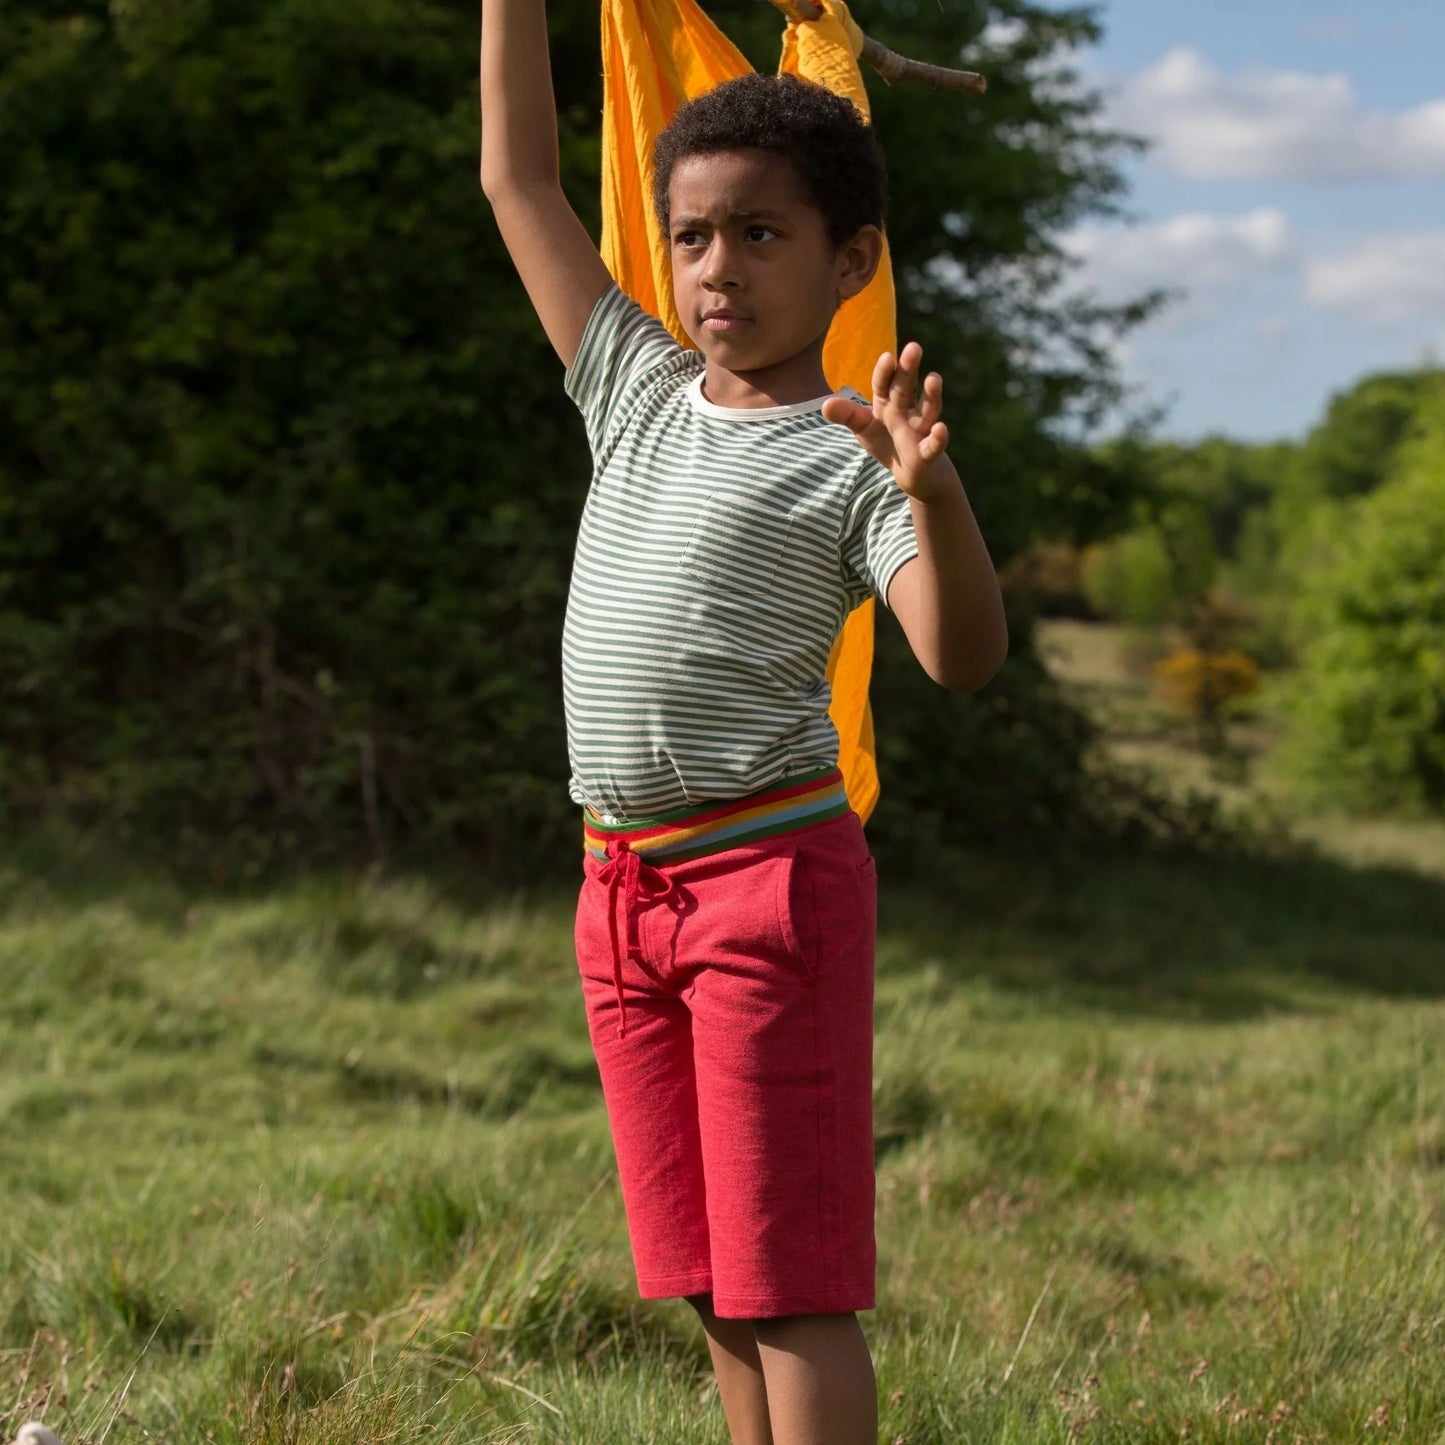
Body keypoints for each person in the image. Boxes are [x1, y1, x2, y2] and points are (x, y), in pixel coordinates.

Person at [479, 1, 1007, 1438]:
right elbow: (517, 182)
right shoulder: (634, 388)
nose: (717, 269)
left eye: (761, 235)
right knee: (710, 1276)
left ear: (850, 261)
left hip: (766, 889)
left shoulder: (851, 458)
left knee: (791, 1285)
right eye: (695, 235)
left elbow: (960, 657)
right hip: (618, 890)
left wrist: (931, 496)